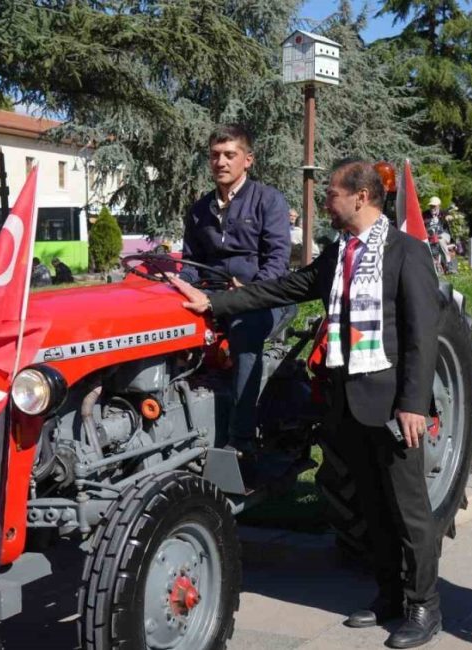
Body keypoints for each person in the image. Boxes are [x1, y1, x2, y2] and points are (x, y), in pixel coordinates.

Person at [170, 159, 443, 649]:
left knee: (408, 510)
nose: (325, 203)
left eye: (332, 194)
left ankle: (424, 606)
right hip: (347, 402)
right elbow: (288, 286)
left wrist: (413, 404)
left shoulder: (406, 252)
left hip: (391, 405)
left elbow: (422, 336)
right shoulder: (340, 253)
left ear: (361, 197)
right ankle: (389, 595)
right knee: (373, 507)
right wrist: (215, 304)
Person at [179, 124, 291, 455]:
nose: (221, 162)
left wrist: (248, 293)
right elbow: (191, 264)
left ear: (248, 159)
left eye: (230, 155)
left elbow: (277, 261)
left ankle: (240, 439)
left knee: (245, 328)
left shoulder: (268, 200)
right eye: (215, 155)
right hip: (214, 296)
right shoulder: (199, 210)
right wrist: (180, 285)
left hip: (265, 298)